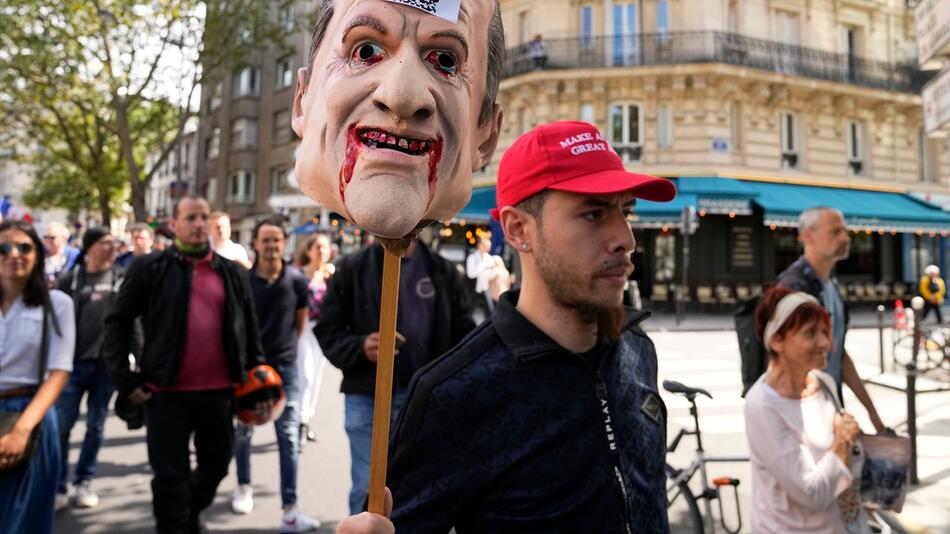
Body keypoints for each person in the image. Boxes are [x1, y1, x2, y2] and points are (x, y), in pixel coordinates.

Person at [336, 120, 677, 533]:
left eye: (625, 212)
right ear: (518, 230)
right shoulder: (455, 393)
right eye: (593, 213)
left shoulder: (638, 350)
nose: (625, 239)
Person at [101, 195, 266, 534]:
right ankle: (176, 522)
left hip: (219, 394)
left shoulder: (232, 273)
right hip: (165, 395)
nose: (198, 224)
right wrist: (126, 381)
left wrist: (257, 376)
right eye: (190, 217)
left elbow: (249, 329)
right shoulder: (149, 268)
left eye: (203, 217)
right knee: (170, 480)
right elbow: (117, 322)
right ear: (173, 224)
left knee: (217, 466)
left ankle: (185, 515)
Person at [316, 233, 475, 515]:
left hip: (426, 402)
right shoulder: (352, 268)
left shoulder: (442, 269)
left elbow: (464, 335)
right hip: (367, 398)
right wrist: (360, 346)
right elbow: (327, 330)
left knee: (421, 490)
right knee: (368, 492)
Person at [745, 286, 866, 533]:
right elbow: (812, 494)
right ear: (777, 340)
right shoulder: (762, 405)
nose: (826, 343)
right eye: (811, 333)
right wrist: (843, 440)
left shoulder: (824, 383)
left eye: (824, 331)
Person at [230, 218, 320, 532]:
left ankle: (290, 510)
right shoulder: (243, 281)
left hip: (284, 370)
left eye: (277, 240)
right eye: (266, 240)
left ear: (285, 244)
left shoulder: (296, 280)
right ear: (255, 244)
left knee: (289, 438)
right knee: (243, 433)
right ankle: (243, 487)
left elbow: (299, 323)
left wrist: (287, 357)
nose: (271, 245)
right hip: (249, 369)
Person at [778, 207, 885, 432]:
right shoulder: (793, 287)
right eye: (835, 232)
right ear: (808, 236)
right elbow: (786, 362)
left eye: (845, 231)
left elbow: (839, 354)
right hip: (804, 413)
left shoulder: (831, 285)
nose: (845, 238)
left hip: (829, 405)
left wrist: (872, 413)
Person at [0, 220, 75, 534]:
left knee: (22, 521)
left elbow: (59, 371)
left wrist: (21, 430)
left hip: (31, 416)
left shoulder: (56, 304)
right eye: (4, 248)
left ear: (37, 255)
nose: (13, 254)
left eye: (24, 247)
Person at [54, 227, 126, 511]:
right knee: (61, 427)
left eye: (112, 243)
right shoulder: (70, 280)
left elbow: (132, 322)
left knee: (96, 427)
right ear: (89, 248)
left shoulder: (120, 279)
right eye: (104, 243)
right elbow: (55, 321)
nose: (111, 247)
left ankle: (84, 481)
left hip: (106, 367)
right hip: (71, 366)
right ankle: (58, 485)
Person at [293, 233, 335, 445]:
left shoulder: (331, 276)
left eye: (325, 248)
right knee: (306, 375)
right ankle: (299, 420)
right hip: (304, 329)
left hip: (323, 332)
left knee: (316, 378)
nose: (322, 252)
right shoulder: (299, 275)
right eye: (318, 247)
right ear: (309, 251)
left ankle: (307, 419)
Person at [465, 236, 509, 312]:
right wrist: (484, 268)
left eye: (489, 246)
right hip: (472, 290)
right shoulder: (472, 257)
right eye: (486, 246)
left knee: (489, 311)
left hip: (486, 290)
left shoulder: (488, 258)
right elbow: (470, 274)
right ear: (480, 245)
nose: (488, 248)